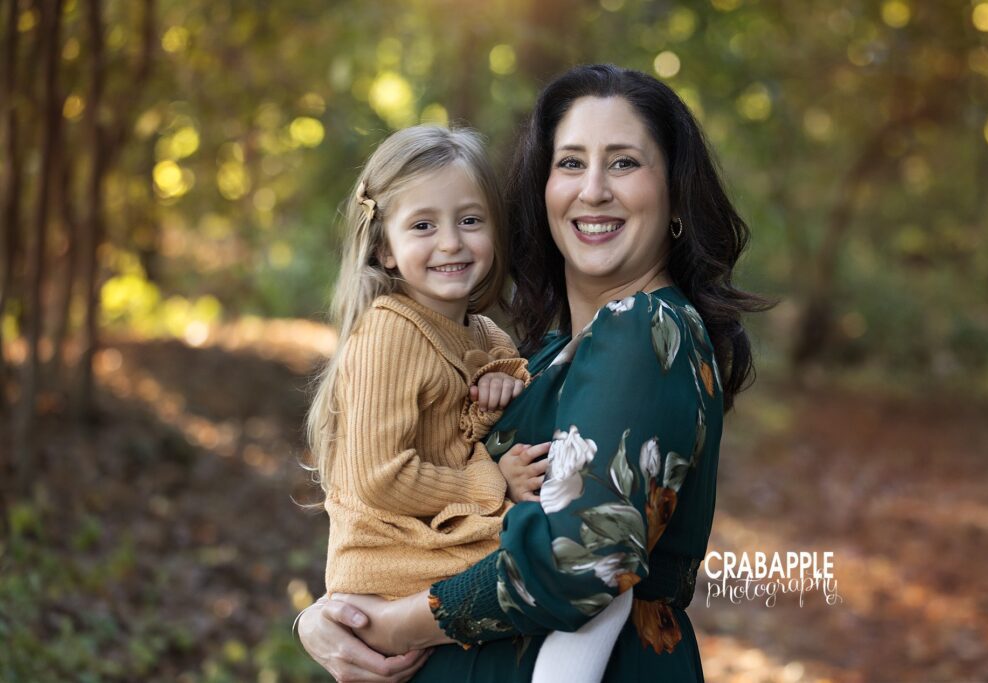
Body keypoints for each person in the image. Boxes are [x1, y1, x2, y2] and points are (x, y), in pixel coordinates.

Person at [298, 64, 768, 682]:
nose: (593, 189)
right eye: (570, 163)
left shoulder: (643, 327)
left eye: (623, 162)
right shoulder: (544, 353)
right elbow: (400, 486)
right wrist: (328, 617)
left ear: (675, 193)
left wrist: (386, 624)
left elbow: (581, 561)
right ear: (541, 189)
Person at [303, 123, 635, 683]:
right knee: (587, 571)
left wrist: (501, 383)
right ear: (385, 247)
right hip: (391, 551)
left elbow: (504, 374)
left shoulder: (480, 330)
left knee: (586, 570)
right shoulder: (389, 331)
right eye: (424, 225)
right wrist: (491, 483)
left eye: (470, 220)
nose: (452, 242)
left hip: (434, 534)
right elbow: (379, 478)